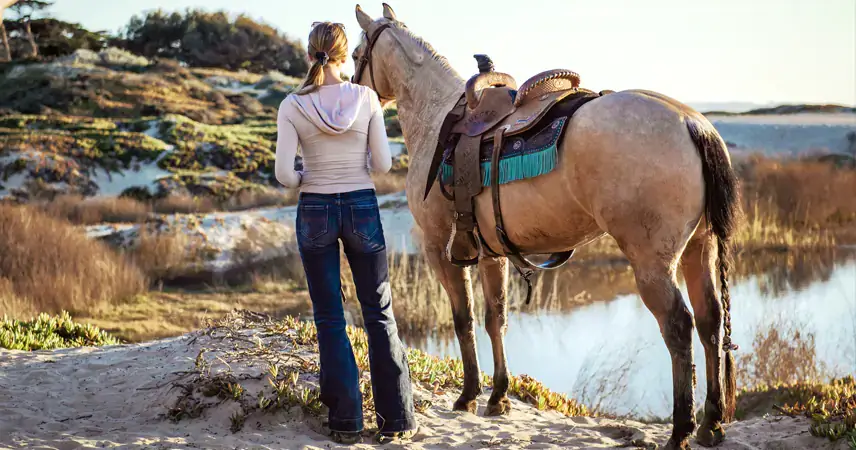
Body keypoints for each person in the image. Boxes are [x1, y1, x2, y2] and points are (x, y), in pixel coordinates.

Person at [273, 21, 418, 445]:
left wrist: (307, 175)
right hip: (362, 207)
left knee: (330, 318)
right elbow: (383, 165)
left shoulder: (291, 105)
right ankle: (396, 422)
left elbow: (284, 175)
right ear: (343, 55)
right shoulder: (367, 98)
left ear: (309, 55)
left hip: (315, 208)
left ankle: (346, 423)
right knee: (379, 313)